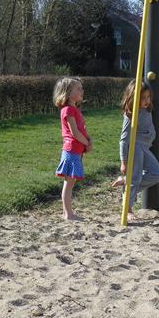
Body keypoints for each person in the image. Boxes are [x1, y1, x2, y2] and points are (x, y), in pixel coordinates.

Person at [113, 80, 159, 221]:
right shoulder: (130, 115)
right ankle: (128, 209)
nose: (147, 101)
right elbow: (123, 139)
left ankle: (125, 181)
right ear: (134, 98)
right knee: (135, 180)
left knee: (156, 174)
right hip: (135, 149)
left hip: (144, 148)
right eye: (143, 98)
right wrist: (123, 161)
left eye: (148, 97)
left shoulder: (146, 110)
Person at [53, 77, 92, 221]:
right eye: (78, 89)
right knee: (69, 182)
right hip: (71, 150)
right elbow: (74, 132)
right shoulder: (68, 110)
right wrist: (87, 143)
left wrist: (88, 140)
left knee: (70, 182)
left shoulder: (74, 109)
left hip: (76, 150)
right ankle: (68, 214)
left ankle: (67, 212)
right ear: (68, 93)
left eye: (82, 88)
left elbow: (81, 129)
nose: (82, 91)